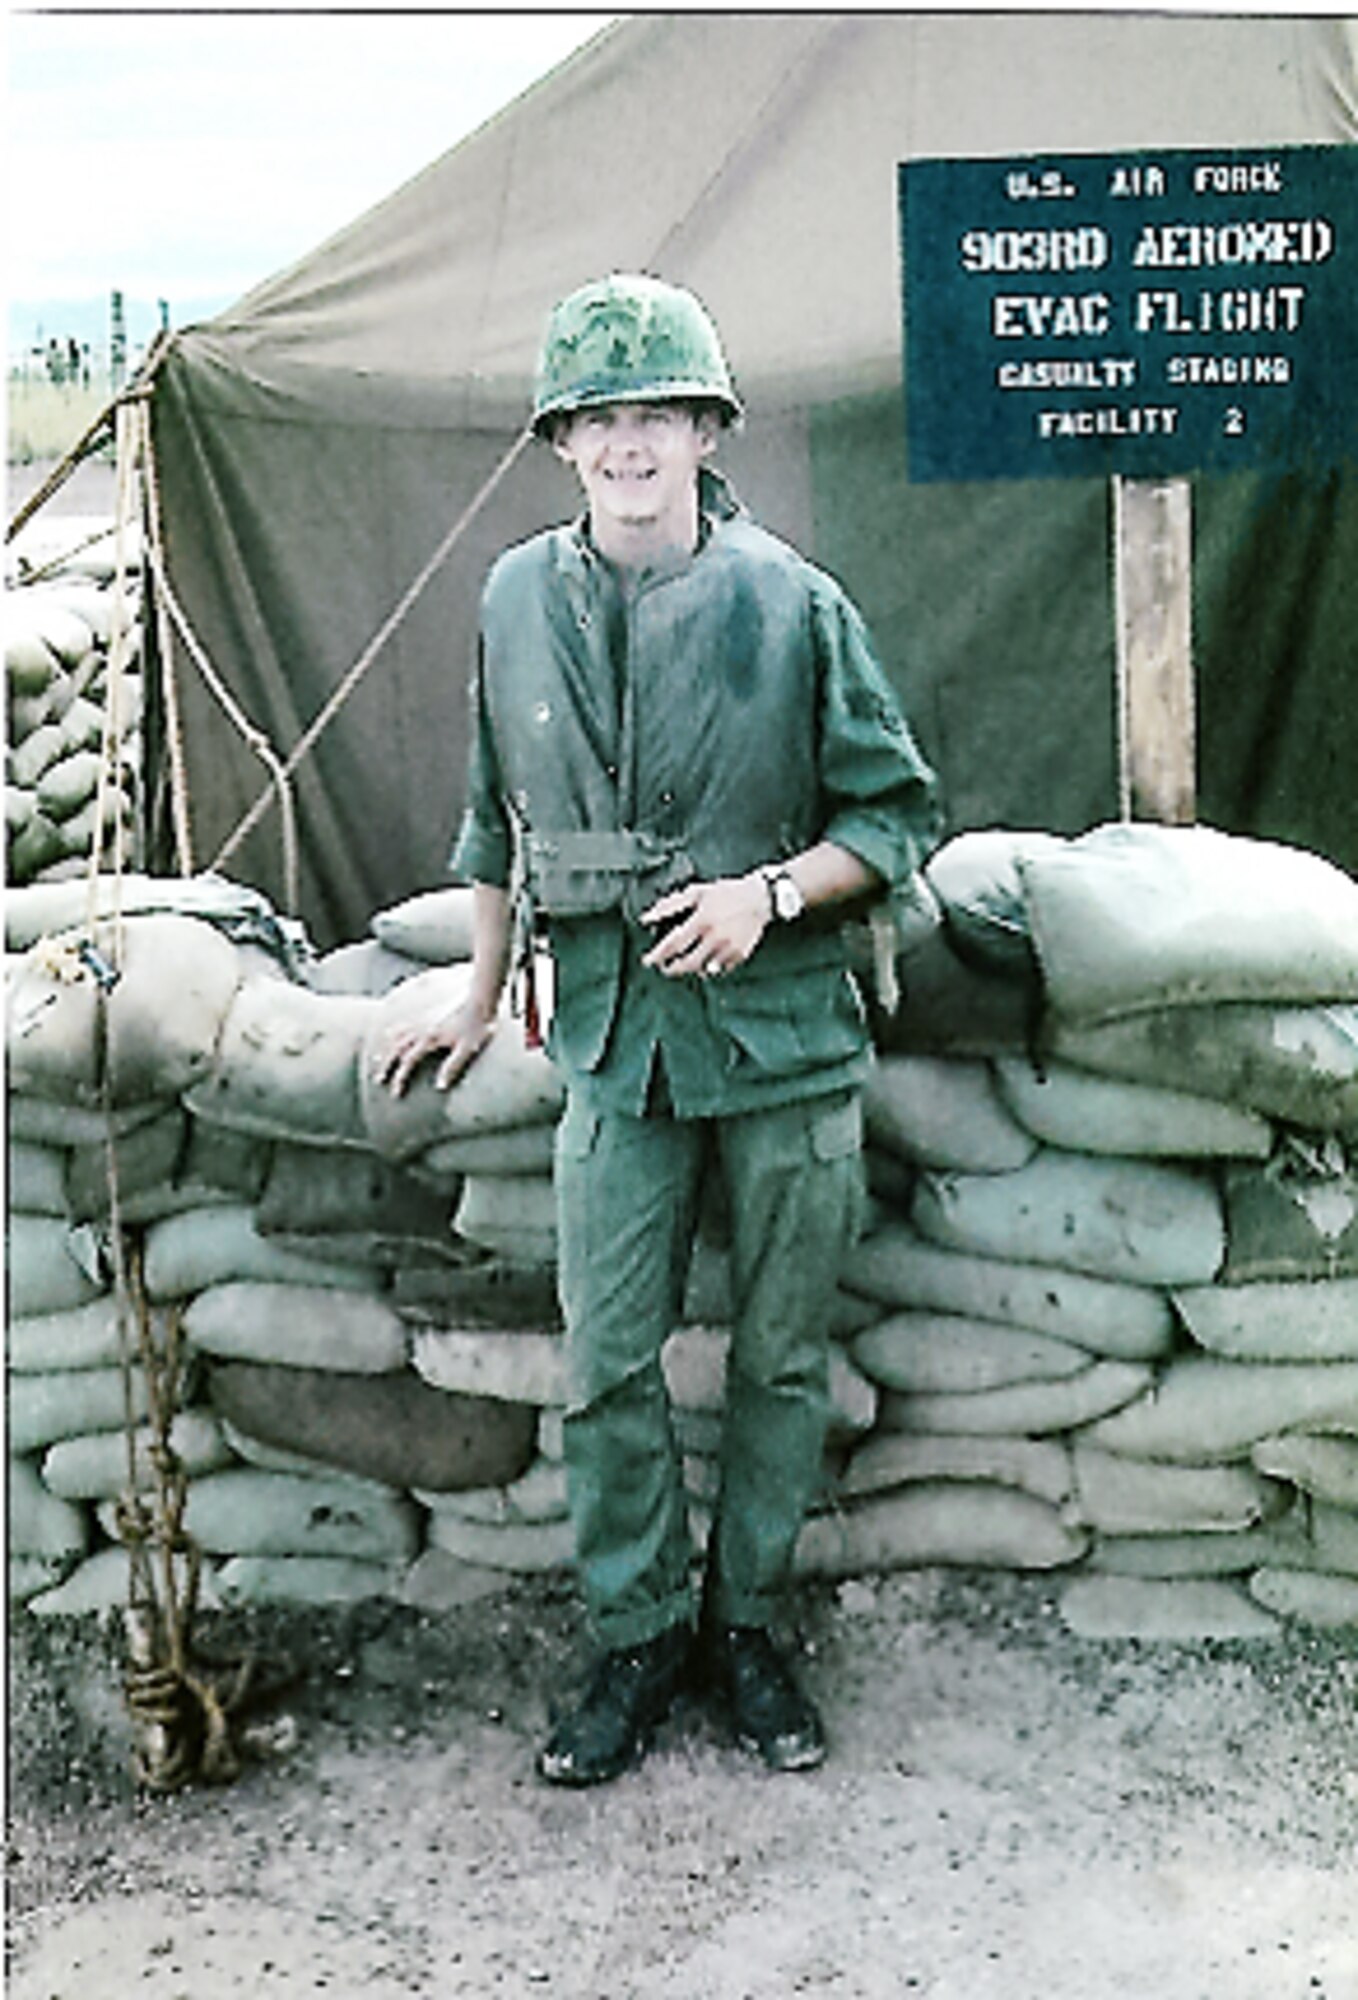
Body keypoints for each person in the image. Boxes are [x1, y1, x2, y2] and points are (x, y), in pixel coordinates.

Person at [377, 272, 939, 1786]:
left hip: (782, 1041)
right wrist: (479, 994)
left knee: (776, 1355)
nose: (629, 446)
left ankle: (745, 1627)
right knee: (607, 1359)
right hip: (611, 1043)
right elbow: (492, 817)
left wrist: (767, 894)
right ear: (563, 441)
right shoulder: (510, 598)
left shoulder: (792, 601)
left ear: (704, 429)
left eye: (657, 416)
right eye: (599, 419)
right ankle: (633, 1637)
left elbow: (895, 817)